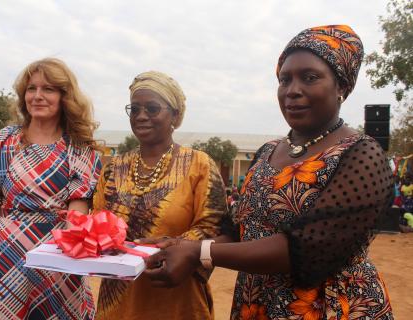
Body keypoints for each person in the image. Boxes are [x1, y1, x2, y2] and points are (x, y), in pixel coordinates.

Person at [143, 25, 394, 319]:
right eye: (284, 79)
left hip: (330, 309)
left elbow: (304, 248)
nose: (292, 91)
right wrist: (179, 245)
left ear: (342, 86)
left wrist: (199, 252)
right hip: (257, 306)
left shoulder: (362, 154)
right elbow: (238, 232)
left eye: (309, 78)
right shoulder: (266, 152)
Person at [0, 58, 102, 319]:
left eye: (48, 89)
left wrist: (68, 255)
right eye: (31, 89)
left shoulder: (78, 148)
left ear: (65, 97)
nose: (37, 96)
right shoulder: (3, 141)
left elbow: (78, 211)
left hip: (58, 255)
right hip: (5, 255)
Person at [93, 71, 227, 319]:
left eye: (152, 109)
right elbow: (100, 223)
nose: (141, 116)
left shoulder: (199, 164)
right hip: (118, 302)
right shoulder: (113, 168)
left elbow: (215, 228)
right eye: (134, 109)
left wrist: (172, 247)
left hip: (176, 299)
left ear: (175, 115)